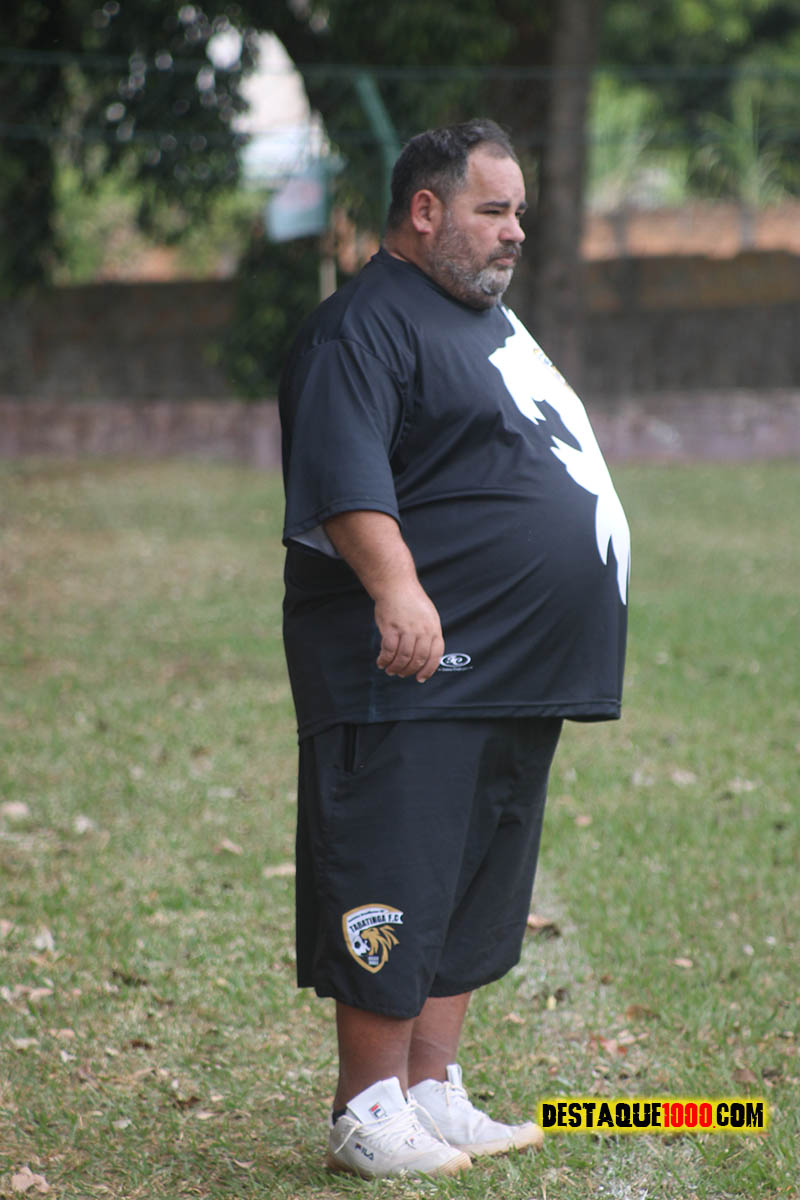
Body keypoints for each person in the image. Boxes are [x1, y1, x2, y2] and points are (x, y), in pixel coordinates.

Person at [278, 118, 630, 1179]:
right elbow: (343, 477)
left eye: (519, 211)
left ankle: (428, 1089)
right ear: (425, 211)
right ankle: (365, 1108)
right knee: (397, 863)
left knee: (474, 877)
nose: (515, 230)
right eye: (493, 210)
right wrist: (398, 591)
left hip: (514, 666)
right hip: (415, 669)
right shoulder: (363, 326)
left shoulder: (484, 322)